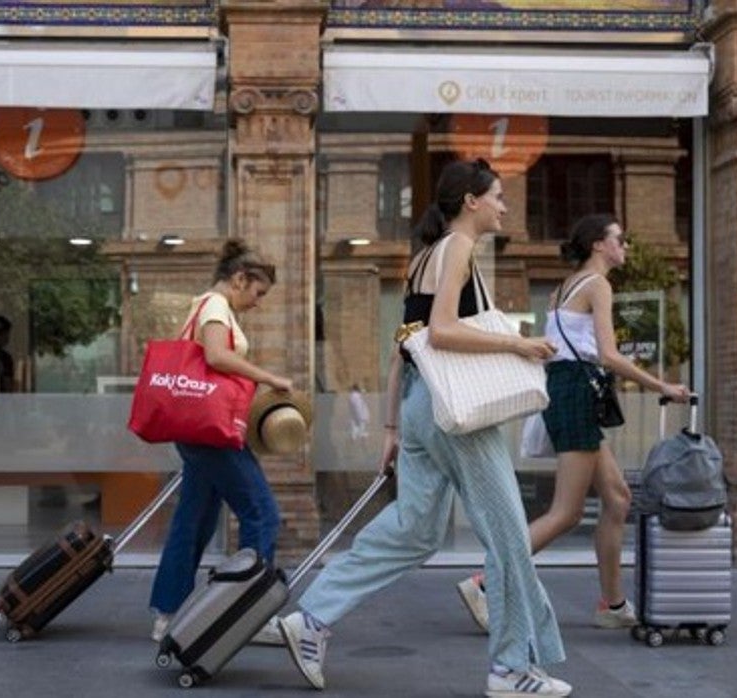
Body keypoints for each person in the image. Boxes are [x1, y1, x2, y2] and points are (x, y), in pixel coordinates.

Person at [279, 159, 573, 697]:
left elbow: (404, 350)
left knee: (414, 529)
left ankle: (314, 617)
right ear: (471, 202)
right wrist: (517, 341)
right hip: (456, 411)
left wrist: (393, 427)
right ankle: (510, 669)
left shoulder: (422, 260)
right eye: (498, 197)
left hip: (420, 406)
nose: (505, 206)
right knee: (508, 536)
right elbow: (440, 333)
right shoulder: (459, 248)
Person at [456, 213, 691, 634]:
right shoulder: (597, 285)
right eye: (620, 238)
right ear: (599, 244)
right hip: (578, 391)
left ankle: (612, 604)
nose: (625, 246)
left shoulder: (565, 287)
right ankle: (486, 582)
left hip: (566, 388)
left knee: (617, 498)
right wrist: (663, 385)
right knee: (566, 513)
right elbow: (608, 355)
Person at [148, 239, 294, 642]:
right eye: (258, 292)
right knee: (261, 512)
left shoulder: (206, 304)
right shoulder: (215, 305)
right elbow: (214, 356)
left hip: (196, 431)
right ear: (239, 279)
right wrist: (268, 377)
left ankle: (167, 613)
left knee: (193, 520)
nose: (258, 302)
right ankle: (251, 612)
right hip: (211, 432)